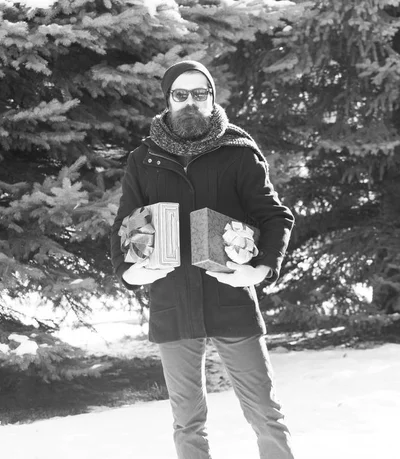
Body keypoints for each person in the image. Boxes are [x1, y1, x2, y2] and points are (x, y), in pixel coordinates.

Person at [110, 60, 296, 459]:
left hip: (230, 298)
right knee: (187, 422)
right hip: (172, 302)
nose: (190, 102)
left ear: (212, 98)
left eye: (200, 93)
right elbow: (123, 226)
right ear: (168, 101)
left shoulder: (238, 152)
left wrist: (260, 268)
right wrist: (131, 271)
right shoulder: (143, 159)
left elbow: (274, 216)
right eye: (181, 94)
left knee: (265, 412)